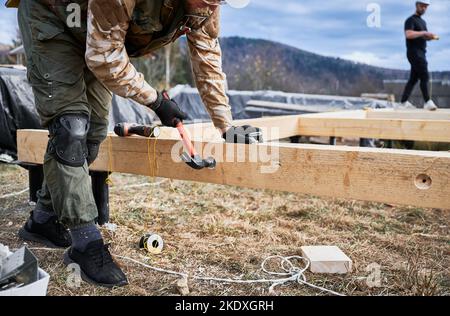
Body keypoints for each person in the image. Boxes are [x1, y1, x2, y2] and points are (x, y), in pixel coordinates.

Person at [15, 0, 261, 288]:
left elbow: (207, 60)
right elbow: (105, 56)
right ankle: (85, 244)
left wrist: (226, 125)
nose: (213, 3)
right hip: (54, 18)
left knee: (92, 135)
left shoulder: (206, 7)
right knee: (70, 128)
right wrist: (156, 102)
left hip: (94, 35)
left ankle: (43, 219)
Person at [400, 0, 439, 111]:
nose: (424, 8)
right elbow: (408, 34)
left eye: (426, 7)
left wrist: (430, 37)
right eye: (422, 6)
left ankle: (403, 102)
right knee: (424, 75)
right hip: (414, 52)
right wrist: (423, 33)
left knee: (413, 79)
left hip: (421, 52)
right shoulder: (410, 20)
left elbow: (424, 36)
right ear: (417, 5)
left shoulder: (423, 22)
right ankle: (427, 101)